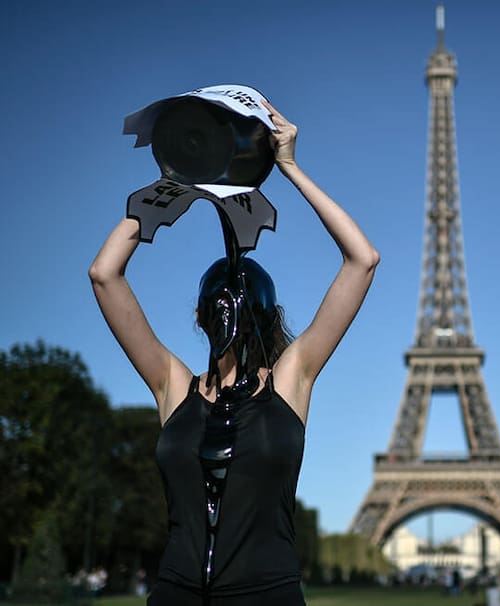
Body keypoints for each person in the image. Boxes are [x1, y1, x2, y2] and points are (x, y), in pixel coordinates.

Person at [90, 99, 379, 605]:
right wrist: (174, 179)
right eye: (216, 302)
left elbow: (362, 260)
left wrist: (289, 168)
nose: (228, 310)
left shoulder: (291, 379)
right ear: (200, 317)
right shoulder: (172, 385)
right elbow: (104, 274)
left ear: (266, 315)